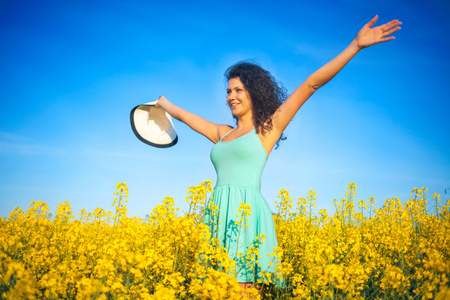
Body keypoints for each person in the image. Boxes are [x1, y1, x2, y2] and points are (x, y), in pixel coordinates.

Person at [156, 15, 401, 290]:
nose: (231, 96)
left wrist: (355, 46)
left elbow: (311, 84)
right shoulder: (221, 133)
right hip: (218, 215)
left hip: (248, 219)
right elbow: (186, 117)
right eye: (228, 91)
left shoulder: (267, 129)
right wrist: (162, 104)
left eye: (238, 89)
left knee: (242, 293)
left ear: (254, 93)